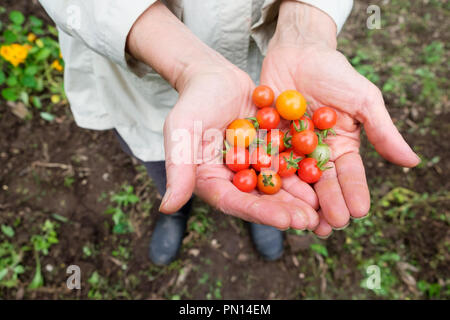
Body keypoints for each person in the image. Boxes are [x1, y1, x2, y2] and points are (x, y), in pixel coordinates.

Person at [39, 0, 420, 265]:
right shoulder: (274, 134)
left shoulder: (277, 131)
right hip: (139, 68)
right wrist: (184, 62)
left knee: (230, 180)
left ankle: (252, 217)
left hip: (267, 64)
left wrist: (305, 25)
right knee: (163, 160)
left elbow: (281, 138)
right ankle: (176, 210)